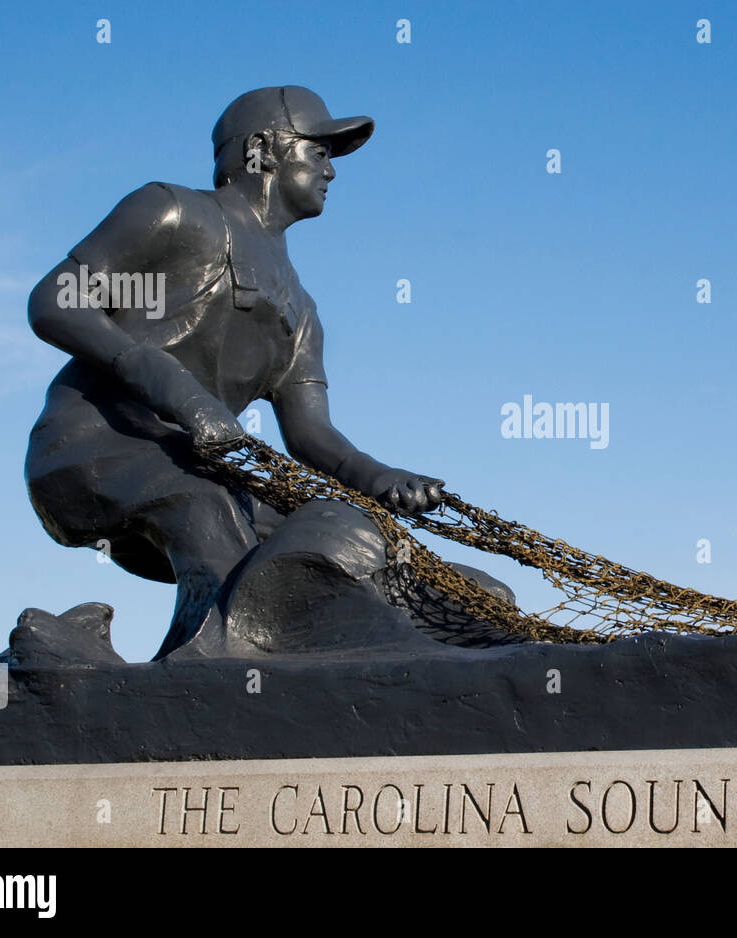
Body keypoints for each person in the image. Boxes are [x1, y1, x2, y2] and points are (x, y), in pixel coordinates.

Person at [25, 86, 458, 659]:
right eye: (319, 150)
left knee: (337, 538)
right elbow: (54, 301)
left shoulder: (300, 310)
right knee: (208, 505)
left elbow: (310, 433)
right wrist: (179, 392)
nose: (331, 169)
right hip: (93, 448)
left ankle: (400, 646)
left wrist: (379, 478)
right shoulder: (173, 211)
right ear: (264, 150)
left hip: (199, 466)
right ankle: (201, 668)